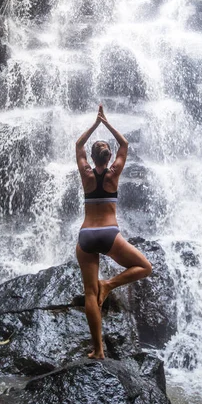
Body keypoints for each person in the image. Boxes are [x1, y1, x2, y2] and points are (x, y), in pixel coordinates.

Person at [75, 104, 152, 359]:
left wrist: (94, 125)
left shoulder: (86, 174)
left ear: (93, 158)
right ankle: (109, 285)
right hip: (109, 234)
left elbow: (78, 145)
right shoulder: (113, 175)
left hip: (86, 236)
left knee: (89, 293)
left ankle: (98, 350)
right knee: (145, 267)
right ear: (108, 159)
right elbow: (125, 144)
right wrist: (106, 122)